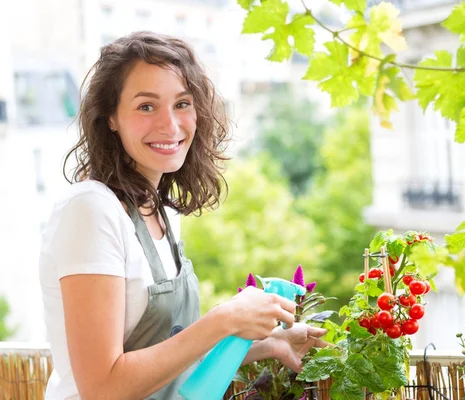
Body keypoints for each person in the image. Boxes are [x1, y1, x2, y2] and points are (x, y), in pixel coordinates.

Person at [39, 31, 327, 400]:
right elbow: (103, 387)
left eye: (182, 104)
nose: (170, 125)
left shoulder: (159, 210)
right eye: (146, 106)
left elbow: (169, 354)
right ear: (111, 117)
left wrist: (268, 344)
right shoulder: (91, 211)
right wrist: (224, 318)